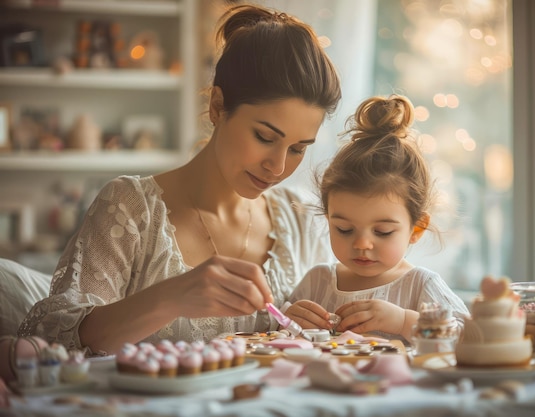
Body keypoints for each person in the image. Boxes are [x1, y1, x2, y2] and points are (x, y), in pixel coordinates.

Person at [17, 4, 341, 356]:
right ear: (218, 106)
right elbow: (49, 347)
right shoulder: (129, 209)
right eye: (265, 137)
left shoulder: (297, 221)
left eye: (297, 148)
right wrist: (171, 298)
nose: (277, 166)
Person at [285, 95, 469, 342]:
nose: (362, 244)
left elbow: (469, 338)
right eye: (344, 229)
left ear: (417, 228)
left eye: (382, 232)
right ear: (328, 219)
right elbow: (278, 340)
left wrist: (404, 321)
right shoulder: (316, 283)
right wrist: (289, 321)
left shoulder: (420, 285)